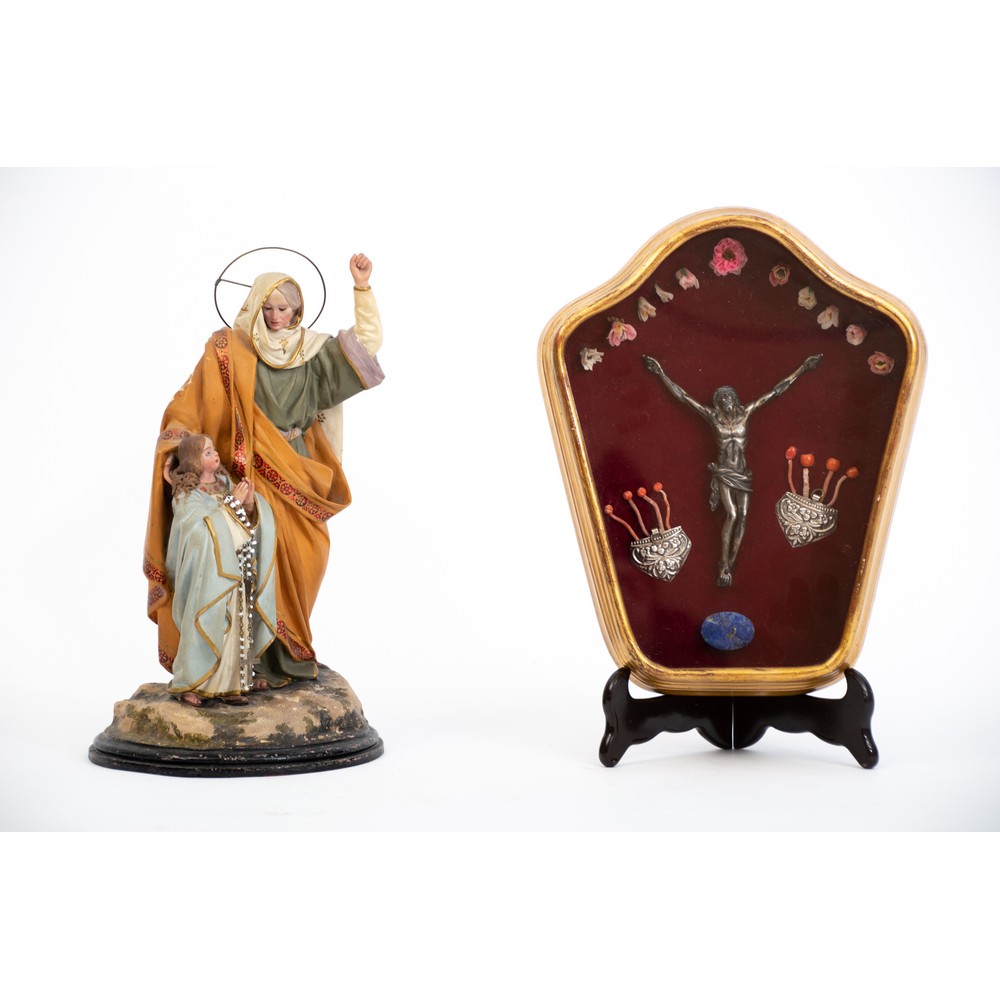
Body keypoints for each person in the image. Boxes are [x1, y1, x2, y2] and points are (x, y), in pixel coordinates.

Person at [145, 255, 385, 687]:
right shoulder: (230, 351)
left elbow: (367, 344)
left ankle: (291, 653)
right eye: (268, 307)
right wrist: (177, 451)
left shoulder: (314, 354)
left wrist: (362, 288)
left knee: (307, 559)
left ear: (298, 310)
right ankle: (248, 662)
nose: (275, 317)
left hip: (300, 470)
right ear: (255, 306)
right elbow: (189, 406)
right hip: (252, 475)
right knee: (257, 560)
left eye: (284, 308)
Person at [643, 353, 821, 586]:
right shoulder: (713, 417)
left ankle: (731, 562)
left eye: (728, 396)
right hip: (725, 473)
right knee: (733, 515)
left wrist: (803, 368)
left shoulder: (746, 413)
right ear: (718, 403)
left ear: (735, 399)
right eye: (721, 398)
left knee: (744, 516)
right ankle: (723, 565)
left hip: (743, 473)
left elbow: (776, 391)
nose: (725, 400)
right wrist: (661, 374)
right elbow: (684, 397)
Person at [165, 435, 277, 706]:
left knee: (234, 626)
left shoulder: (226, 485)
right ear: (193, 461)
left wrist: (248, 505)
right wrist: (232, 506)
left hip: (233, 570)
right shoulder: (187, 495)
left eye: (214, 450)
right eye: (207, 452)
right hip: (206, 576)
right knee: (204, 621)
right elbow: (197, 533)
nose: (215, 455)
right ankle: (192, 683)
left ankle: (230, 685)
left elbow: (243, 524)